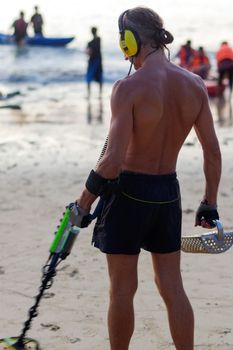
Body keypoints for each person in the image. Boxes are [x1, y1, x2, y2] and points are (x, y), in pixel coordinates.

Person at [71, 7, 221, 350]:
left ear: (129, 41)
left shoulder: (129, 88)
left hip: (129, 195)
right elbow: (212, 153)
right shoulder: (195, 85)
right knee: (172, 286)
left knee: (122, 290)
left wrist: (82, 204)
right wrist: (209, 203)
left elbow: (111, 162)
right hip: (168, 192)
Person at [86, 27, 103, 97]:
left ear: (91, 32)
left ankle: (89, 94)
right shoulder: (99, 39)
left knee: (89, 77)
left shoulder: (90, 43)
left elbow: (88, 52)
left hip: (92, 61)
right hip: (98, 60)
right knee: (99, 77)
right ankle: (100, 94)